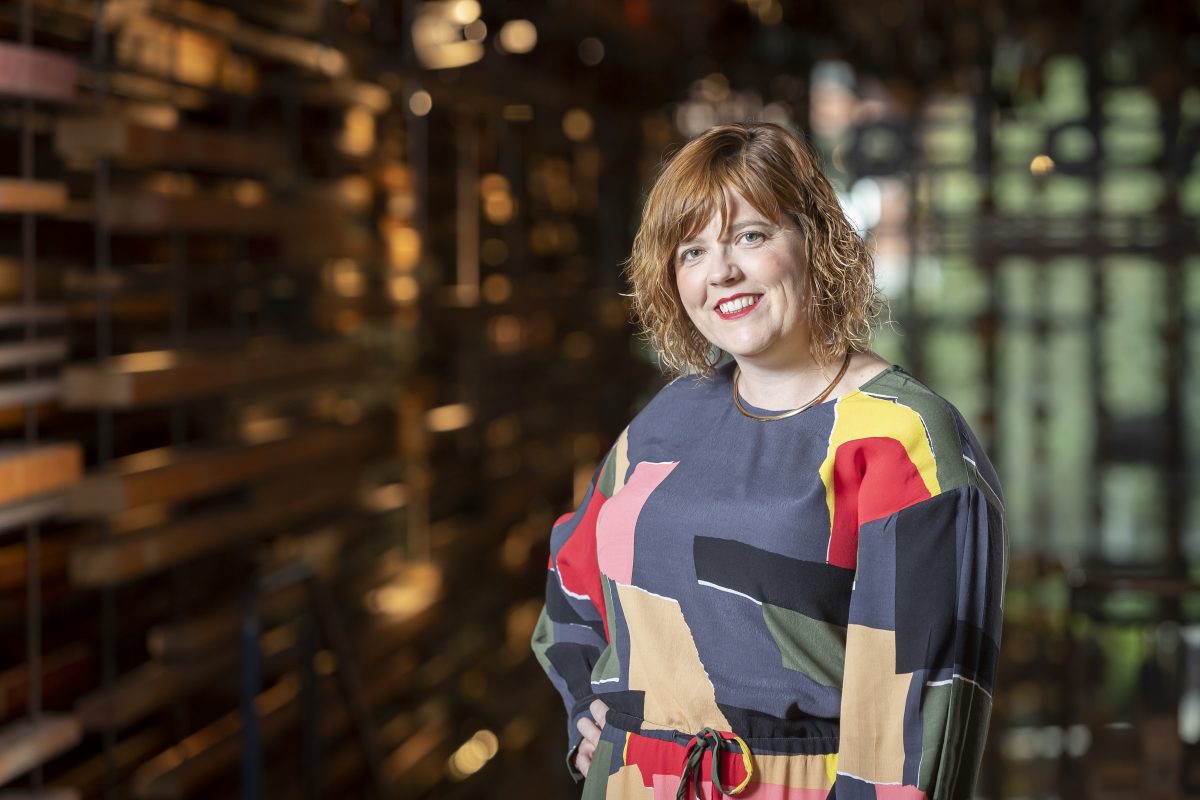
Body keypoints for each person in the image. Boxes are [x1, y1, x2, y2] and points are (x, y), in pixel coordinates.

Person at [530, 121, 1007, 800]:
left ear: (815, 240)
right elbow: (572, 583)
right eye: (691, 251)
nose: (720, 271)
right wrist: (588, 709)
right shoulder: (667, 421)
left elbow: (915, 733)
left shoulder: (901, 441)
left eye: (750, 236)